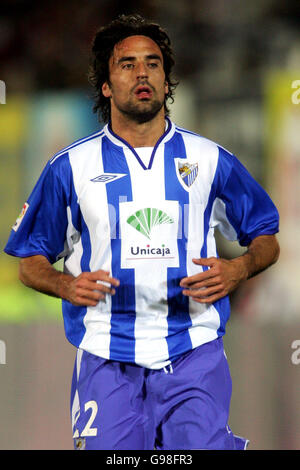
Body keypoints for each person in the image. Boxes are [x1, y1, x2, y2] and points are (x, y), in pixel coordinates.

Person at [4, 14, 280, 451]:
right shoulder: (69, 168)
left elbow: (265, 234)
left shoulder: (209, 159)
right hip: (105, 356)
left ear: (167, 80)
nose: (142, 73)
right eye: (127, 64)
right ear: (107, 85)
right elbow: (30, 262)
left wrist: (239, 268)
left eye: (153, 63)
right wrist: (65, 283)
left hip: (194, 350)